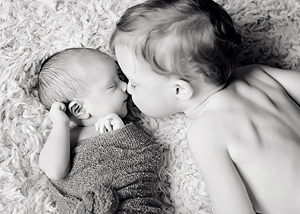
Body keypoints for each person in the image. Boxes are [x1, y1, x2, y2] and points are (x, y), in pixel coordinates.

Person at [109, 0, 300, 213]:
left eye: (134, 82)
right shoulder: (259, 74)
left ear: (180, 90)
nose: (127, 88)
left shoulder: (206, 132)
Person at [38, 48, 163, 214]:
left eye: (120, 78)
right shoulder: (67, 136)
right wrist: (60, 123)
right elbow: (54, 171)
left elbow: (150, 157)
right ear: (78, 109)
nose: (125, 86)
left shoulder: (125, 128)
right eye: (113, 85)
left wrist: (123, 135)